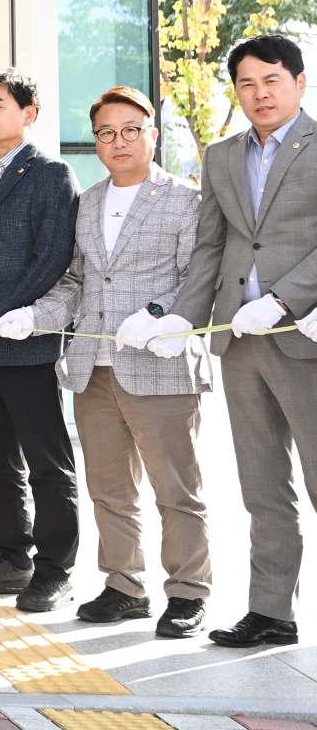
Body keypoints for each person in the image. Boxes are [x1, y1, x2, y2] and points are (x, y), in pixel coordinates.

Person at [27, 86, 209, 639]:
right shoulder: (87, 202)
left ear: (152, 134)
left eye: (131, 130)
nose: (119, 141)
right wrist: (33, 316)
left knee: (175, 489)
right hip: (93, 367)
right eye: (106, 132)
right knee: (109, 488)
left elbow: (197, 278)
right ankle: (125, 585)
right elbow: (77, 280)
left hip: (160, 363)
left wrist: (157, 316)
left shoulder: (185, 200)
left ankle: (188, 591)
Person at [158, 35, 317, 648]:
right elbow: (212, 246)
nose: (259, 93)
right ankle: (272, 611)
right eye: (247, 83)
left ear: (299, 83)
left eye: (272, 80)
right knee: (261, 483)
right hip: (239, 340)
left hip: (303, 335)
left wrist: (284, 300)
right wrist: (183, 318)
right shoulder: (223, 155)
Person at [0, 68, 80, 612]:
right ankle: (8, 557)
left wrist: (1, 310)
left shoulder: (50, 173)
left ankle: (55, 570)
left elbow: (53, 257)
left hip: (25, 340)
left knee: (47, 463)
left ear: (29, 113)